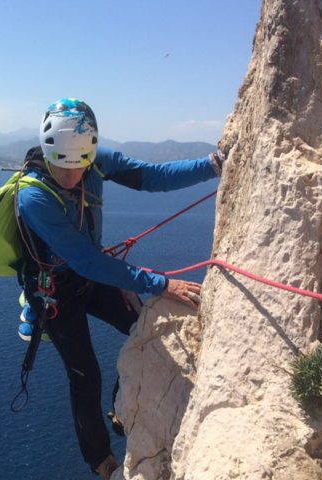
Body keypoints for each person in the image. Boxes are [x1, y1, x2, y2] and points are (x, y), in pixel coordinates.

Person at [15, 98, 224, 479]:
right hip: (54, 293)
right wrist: (160, 284)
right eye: (62, 167)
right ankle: (100, 460)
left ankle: (122, 408)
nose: (71, 177)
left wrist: (211, 166)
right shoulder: (33, 196)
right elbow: (87, 261)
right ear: (49, 155)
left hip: (85, 273)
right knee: (84, 375)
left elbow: (152, 176)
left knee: (143, 327)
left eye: (78, 167)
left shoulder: (93, 159)